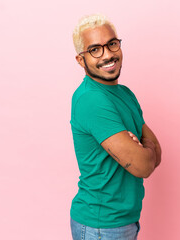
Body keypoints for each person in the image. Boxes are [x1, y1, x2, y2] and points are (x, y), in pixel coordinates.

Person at [70, 14, 162, 240]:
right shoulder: (91, 100)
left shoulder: (125, 94)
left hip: (123, 220)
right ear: (81, 60)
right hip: (101, 226)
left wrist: (144, 149)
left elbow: (156, 155)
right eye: (95, 49)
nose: (108, 54)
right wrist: (144, 149)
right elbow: (143, 166)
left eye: (112, 44)